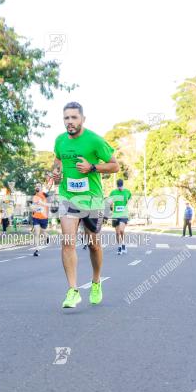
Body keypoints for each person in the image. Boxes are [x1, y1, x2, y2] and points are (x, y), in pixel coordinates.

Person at [52, 101, 119, 308]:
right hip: (68, 196)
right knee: (68, 242)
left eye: (73, 118)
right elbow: (58, 162)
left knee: (94, 245)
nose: (69, 122)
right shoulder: (60, 141)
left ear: (82, 119)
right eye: (66, 118)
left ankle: (96, 281)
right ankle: (73, 290)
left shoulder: (94, 141)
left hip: (91, 199)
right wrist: (55, 173)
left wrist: (92, 167)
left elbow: (115, 166)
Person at [108, 179, 132, 254]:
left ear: (123, 185)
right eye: (119, 187)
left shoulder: (127, 192)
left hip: (124, 214)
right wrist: (110, 207)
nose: (120, 188)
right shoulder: (113, 192)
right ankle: (119, 246)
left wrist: (128, 203)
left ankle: (124, 244)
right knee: (117, 233)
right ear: (117, 186)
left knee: (121, 230)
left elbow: (130, 198)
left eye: (121, 186)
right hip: (115, 214)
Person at [30, 183, 50, 257]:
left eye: (39, 186)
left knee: (43, 231)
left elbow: (51, 205)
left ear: (41, 187)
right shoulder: (33, 196)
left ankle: (47, 236)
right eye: (36, 186)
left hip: (44, 217)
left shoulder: (45, 195)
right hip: (36, 217)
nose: (37, 187)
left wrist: (42, 203)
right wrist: (32, 207)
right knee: (37, 233)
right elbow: (31, 206)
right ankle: (36, 250)